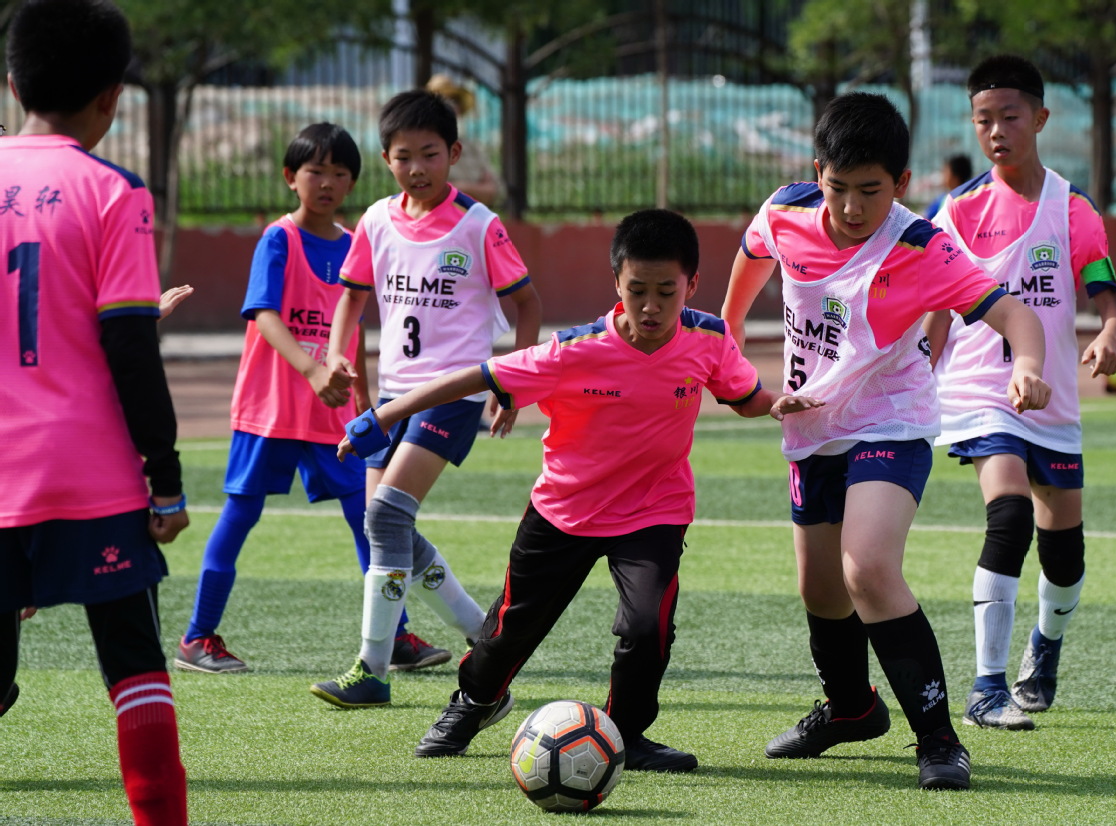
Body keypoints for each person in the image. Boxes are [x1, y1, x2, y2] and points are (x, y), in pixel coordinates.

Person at [339, 208, 809, 770]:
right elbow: (479, 376)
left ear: (692, 285)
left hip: (655, 510)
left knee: (646, 627)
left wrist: (774, 402)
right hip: (565, 510)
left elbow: (743, 395)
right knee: (511, 630)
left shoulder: (707, 339)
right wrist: (386, 415)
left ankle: (625, 735)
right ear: (617, 284)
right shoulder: (574, 350)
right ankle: (473, 701)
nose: (651, 306)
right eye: (637, 290)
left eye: (667, 291)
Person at [722, 91, 1052, 791]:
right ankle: (850, 709)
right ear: (818, 171)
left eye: (869, 191)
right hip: (809, 427)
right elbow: (750, 264)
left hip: (890, 423)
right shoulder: (785, 211)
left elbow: (1016, 316)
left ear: (900, 185)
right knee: (820, 588)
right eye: (837, 188)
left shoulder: (921, 246)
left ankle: (938, 739)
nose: (849, 207)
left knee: (866, 568)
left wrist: (1026, 365)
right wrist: (730, 355)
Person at [0, 1, 189, 823]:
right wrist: (166, 479)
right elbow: (131, 348)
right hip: (96, 480)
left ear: (11, 83)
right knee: (135, 668)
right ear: (113, 98)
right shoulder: (116, 193)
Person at [174, 123, 438, 673]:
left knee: (369, 520)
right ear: (290, 177)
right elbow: (264, 314)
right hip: (269, 411)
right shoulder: (279, 239)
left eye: (341, 173)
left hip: (334, 416)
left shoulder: (352, 244)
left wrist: (365, 403)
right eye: (316, 171)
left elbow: (354, 328)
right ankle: (198, 638)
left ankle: (397, 635)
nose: (328, 183)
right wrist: (312, 370)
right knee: (240, 514)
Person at [310, 89, 542, 708]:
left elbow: (528, 304)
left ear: (454, 154)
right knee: (390, 528)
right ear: (387, 160)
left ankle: (371, 671)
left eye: (430, 155)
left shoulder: (479, 225)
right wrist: (339, 358)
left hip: (453, 395)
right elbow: (351, 300)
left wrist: (512, 383)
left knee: (386, 518)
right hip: (390, 395)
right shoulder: (377, 221)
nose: (418, 168)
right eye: (405, 156)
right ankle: (484, 638)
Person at [923, 55, 1116, 733]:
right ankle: (984, 689)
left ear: (1039, 118)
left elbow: (1106, 292)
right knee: (1006, 516)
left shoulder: (1072, 208)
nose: (996, 131)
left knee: (1063, 556)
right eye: (984, 119)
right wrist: (920, 368)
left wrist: (1110, 336)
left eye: (1010, 116)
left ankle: (1045, 649)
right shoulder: (957, 211)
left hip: (1055, 403)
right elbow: (936, 307)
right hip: (982, 392)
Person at [425, 74, 502, 208]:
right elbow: (430, 192)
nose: (450, 106)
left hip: (475, 221)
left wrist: (459, 188)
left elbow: (497, 190)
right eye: (443, 100)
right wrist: (476, 189)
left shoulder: (472, 147)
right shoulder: (421, 148)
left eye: (454, 100)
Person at [924, 154, 974, 219]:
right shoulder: (972, 197)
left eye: (946, 172)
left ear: (955, 177)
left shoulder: (945, 200)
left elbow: (926, 218)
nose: (943, 175)